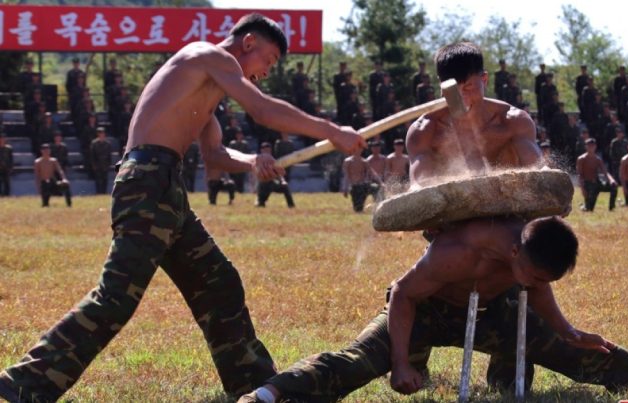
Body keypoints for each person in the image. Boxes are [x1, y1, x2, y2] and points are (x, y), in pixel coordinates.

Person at [0, 13, 365, 403]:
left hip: (166, 187)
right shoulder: (207, 56)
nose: (266, 72)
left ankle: (253, 385)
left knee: (218, 282)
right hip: (147, 180)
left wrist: (252, 163)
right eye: (269, 60)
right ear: (248, 43)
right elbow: (263, 111)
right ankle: (23, 384)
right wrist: (331, 130)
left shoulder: (208, 90)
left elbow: (215, 155)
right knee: (117, 296)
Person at [239, 216, 628, 403]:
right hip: (424, 309)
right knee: (359, 361)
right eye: (535, 275)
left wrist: (567, 329)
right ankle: (270, 393)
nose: (540, 286)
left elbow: (538, 291)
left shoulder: (526, 262)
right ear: (513, 253)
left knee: (564, 347)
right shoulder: (456, 252)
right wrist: (398, 363)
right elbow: (404, 296)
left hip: (492, 310)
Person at [407, 42, 541, 189]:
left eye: (468, 87)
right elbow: (418, 185)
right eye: (453, 90)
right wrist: (417, 191)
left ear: (484, 80)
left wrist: (552, 191)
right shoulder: (425, 130)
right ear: (441, 85)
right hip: (452, 206)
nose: (462, 98)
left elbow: (538, 168)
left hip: (510, 202)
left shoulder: (512, 121)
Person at [576, 138, 617, 211]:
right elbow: (580, 174)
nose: (591, 147)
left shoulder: (598, 159)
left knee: (613, 187)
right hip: (588, 184)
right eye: (589, 146)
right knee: (589, 209)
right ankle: (583, 206)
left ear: (595, 147)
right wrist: (582, 188)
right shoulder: (581, 159)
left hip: (597, 183)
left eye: (592, 146)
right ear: (586, 147)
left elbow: (605, 172)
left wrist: (611, 180)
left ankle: (611, 208)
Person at [256, 142, 295, 208]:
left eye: (268, 150)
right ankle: (259, 201)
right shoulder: (258, 160)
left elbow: (279, 173)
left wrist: (282, 181)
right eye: (265, 150)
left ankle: (291, 205)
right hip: (262, 184)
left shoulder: (273, 160)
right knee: (261, 204)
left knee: (285, 187)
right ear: (261, 150)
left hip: (272, 182)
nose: (267, 151)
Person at [342, 148, 382, 212]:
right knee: (358, 209)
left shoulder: (364, 161)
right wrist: (345, 188)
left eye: (359, 148)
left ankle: (378, 206)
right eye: (356, 149)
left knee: (376, 188)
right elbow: (346, 176)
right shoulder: (348, 161)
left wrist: (381, 183)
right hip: (354, 187)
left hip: (363, 186)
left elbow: (372, 173)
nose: (358, 150)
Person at [90, 127, 113, 194]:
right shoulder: (94, 143)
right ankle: (98, 192)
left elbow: (109, 155)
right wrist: (94, 165)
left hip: (105, 164)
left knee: (105, 180)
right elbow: (92, 155)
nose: (101, 134)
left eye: (102, 133)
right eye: (100, 133)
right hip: (97, 164)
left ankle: (104, 192)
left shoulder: (107, 144)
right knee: (98, 180)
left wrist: (109, 164)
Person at [228, 128, 252, 192]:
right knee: (234, 179)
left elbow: (247, 154)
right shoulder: (232, 144)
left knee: (241, 180)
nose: (239, 136)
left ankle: (240, 191)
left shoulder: (245, 144)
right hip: (234, 164)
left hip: (242, 164)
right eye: (238, 134)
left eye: (240, 134)